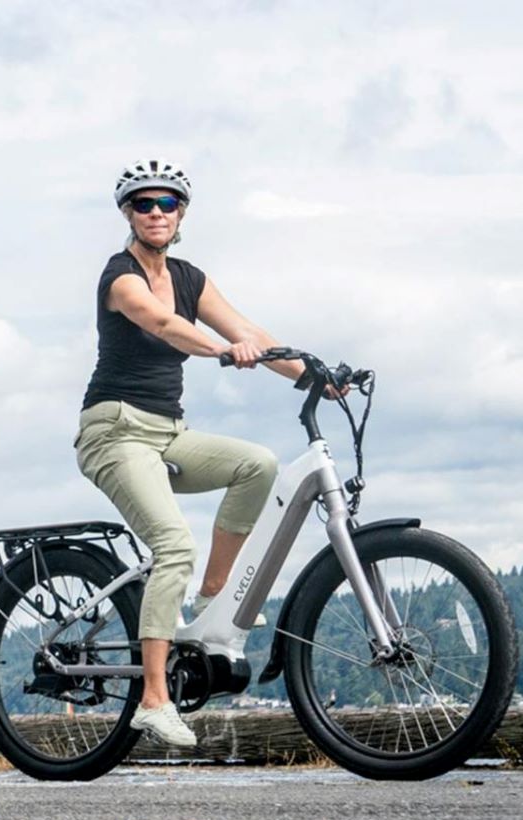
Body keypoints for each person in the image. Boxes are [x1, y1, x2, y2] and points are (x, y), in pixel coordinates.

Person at [75, 158, 332, 747]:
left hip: (168, 430)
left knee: (257, 465)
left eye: (168, 203)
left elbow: (252, 333)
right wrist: (220, 350)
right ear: (127, 214)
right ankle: (155, 700)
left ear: (183, 212)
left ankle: (216, 595)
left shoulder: (191, 276)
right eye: (144, 203)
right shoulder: (120, 276)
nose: (157, 212)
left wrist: (312, 376)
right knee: (173, 547)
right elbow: (160, 322)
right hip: (114, 430)